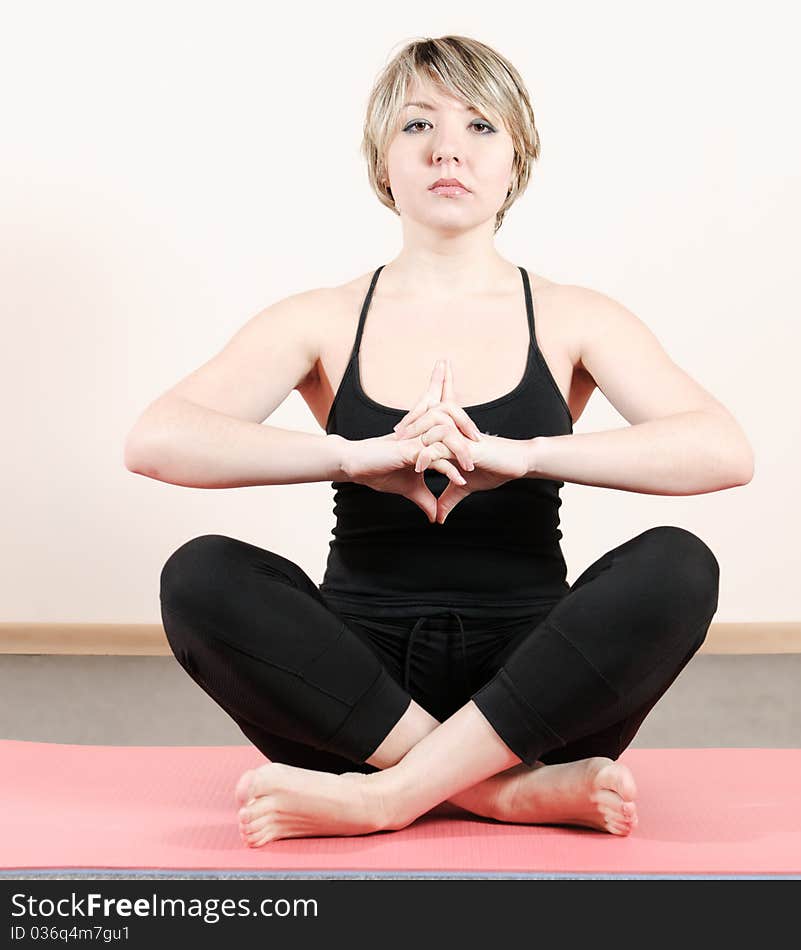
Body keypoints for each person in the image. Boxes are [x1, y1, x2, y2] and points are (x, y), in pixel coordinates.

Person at [126, 35, 754, 847]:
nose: (449, 148)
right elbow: (157, 438)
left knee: (679, 564)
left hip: (536, 679)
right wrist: (353, 457)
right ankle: (506, 793)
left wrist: (525, 456)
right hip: (354, 686)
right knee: (200, 576)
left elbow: (723, 449)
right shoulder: (320, 316)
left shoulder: (572, 315)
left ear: (516, 162)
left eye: (480, 127)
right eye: (419, 125)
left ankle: (386, 798)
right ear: (383, 160)